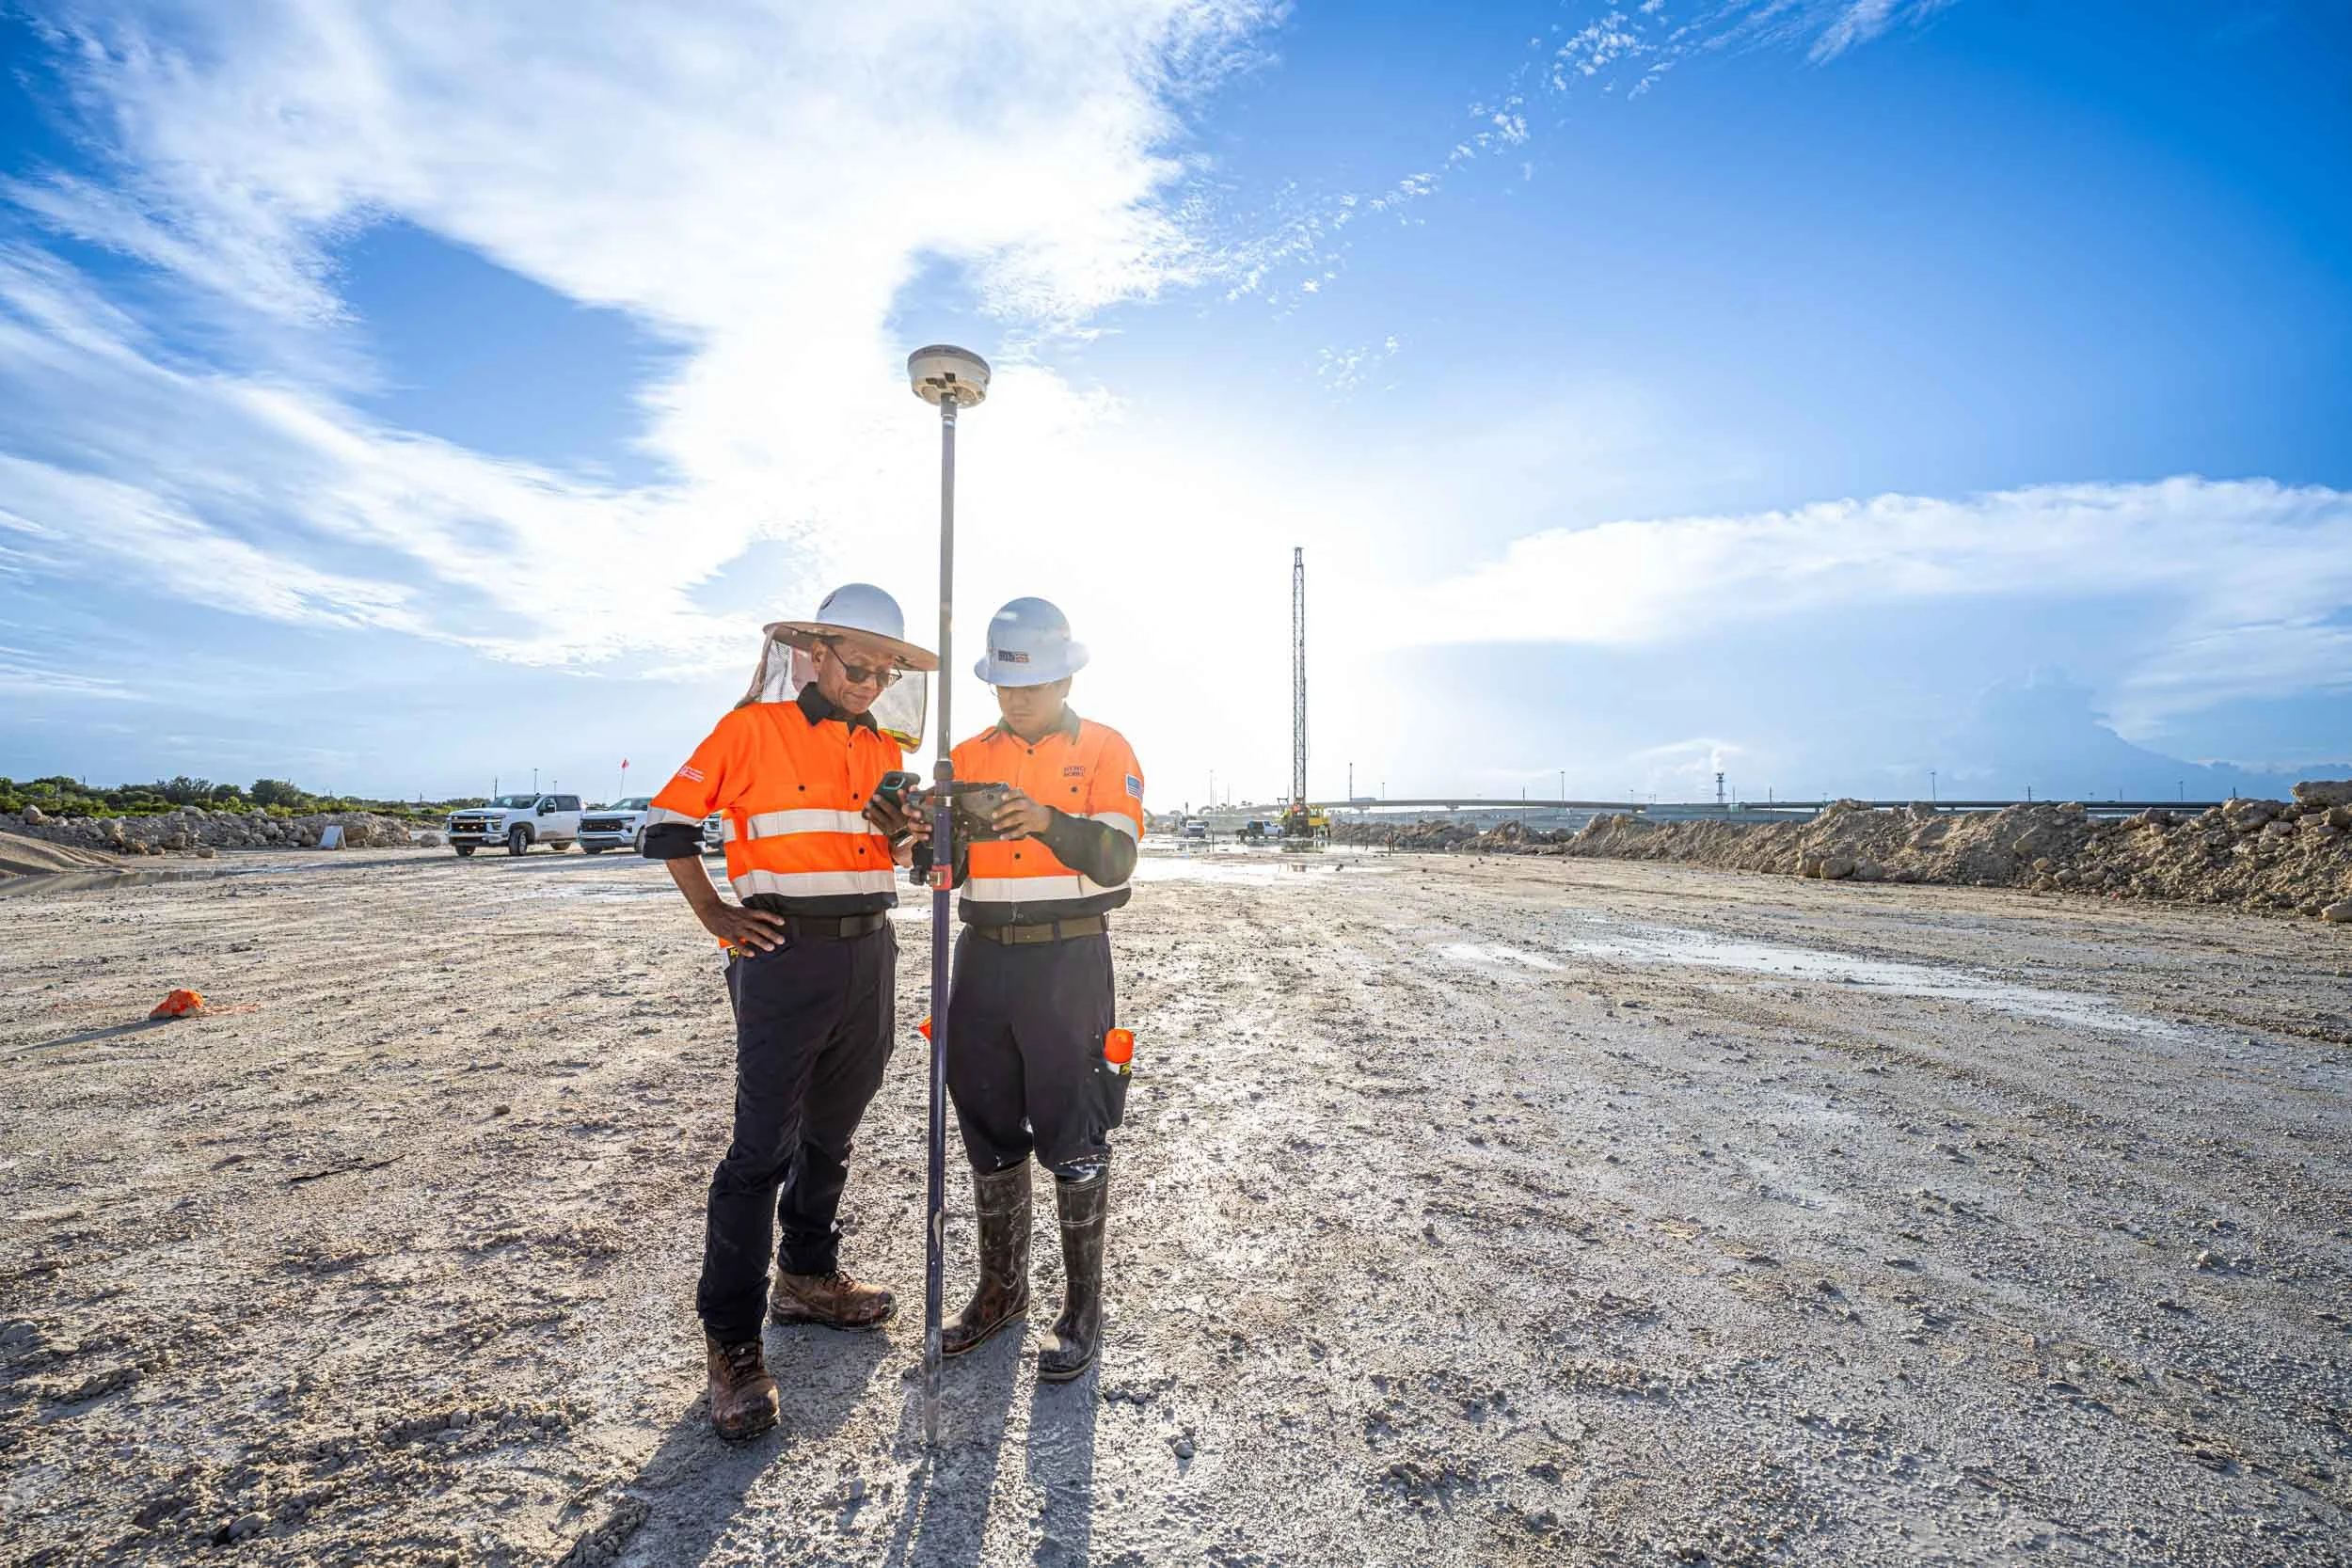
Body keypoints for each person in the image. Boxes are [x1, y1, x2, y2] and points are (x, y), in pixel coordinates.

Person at [641, 583, 934, 1441]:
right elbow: (667, 826)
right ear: (813, 652)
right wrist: (716, 916)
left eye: (885, 671)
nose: (872, 682)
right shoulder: (750, 730)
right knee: (759, 1149)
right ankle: (731, 1340)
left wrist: (911, 834)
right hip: (781, 956)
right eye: (858, 665)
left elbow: (895, 853)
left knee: (832, 1130)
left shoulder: (883, 747)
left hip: (868, 952)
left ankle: (807, 1277)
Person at [930, 597, 1143, 1382]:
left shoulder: (1108, 747)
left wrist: (1047, 819)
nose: (1016, 698)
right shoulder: (964, 753)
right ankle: (1001, 1291)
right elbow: (942, 865)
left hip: (1068, 959)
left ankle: (1081, 1310)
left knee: (1074, 1123)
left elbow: (1116, 859)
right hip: (983, 955)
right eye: (1004, 685)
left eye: (1032, 683)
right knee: (985, 1118)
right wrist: (919, 839)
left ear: (1065, 675)